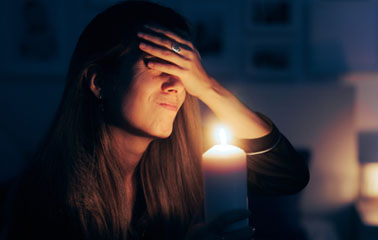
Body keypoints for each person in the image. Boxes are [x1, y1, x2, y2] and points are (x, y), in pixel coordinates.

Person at [1, 1, 309, 239]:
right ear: (98, 83)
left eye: (184, 74)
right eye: (159, 66)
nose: (176, 86)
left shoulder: (189, 169)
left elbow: (289, 176)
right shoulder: (45, 196)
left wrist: (208, 87)